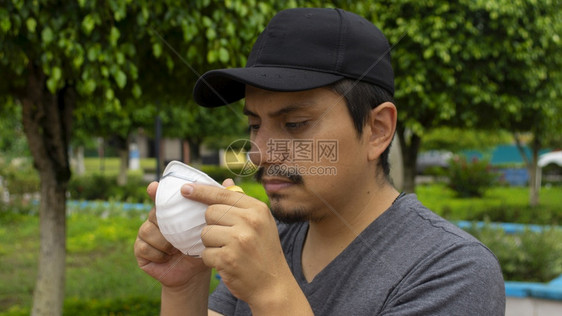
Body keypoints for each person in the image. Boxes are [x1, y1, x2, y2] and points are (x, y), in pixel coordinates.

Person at [134, 7, 506, 315]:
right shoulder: (269, 243)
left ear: (377, 129)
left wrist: (272, 292)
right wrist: (187, 284)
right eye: (253, 124)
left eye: (294, 124)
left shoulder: (451, 271)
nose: (260, 153)